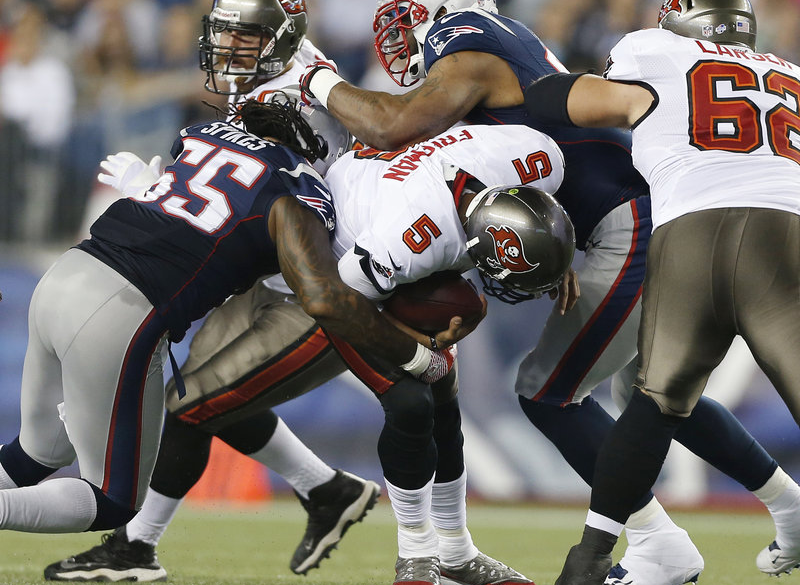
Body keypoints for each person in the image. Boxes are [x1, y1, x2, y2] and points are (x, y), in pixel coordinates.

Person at [299, 0, 800, 585]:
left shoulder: (472, 38)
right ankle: (787, 508)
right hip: (618, 218)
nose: (399, 37)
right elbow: (532, 144)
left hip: (632, 222)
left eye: (407, 19)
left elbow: (396, 124)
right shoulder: (506, 46)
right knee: (645, 386)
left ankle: (655, 541)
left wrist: (315, 81)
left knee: (547, 391)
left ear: (441, 10)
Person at [0, 97, 465, 557]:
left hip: (63, 278)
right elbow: (322, 296)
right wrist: (416, 355)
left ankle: (320, 486)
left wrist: (148, 186)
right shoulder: (298, 194)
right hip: (120, 310)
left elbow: (195, 213)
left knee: (34, 453)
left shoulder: (202, 139)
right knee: (112, 499)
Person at [44, 0, 376, 583]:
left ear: (282, 37)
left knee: (194, 402)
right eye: (221, 34)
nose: (226, 49)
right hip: (264, 262)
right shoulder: (255, 84)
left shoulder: (307, 82)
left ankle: (136, 546)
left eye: (243, 37)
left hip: (319, 272)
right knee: (203, 396)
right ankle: (324, 490)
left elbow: (325, 165)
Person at [522, 0, 800, 585]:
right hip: (789, 234)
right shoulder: (791, 72)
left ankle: (589, 561)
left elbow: (567, 103)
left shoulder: (657, 50)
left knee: (656, 398)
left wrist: (557, 84)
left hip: (696, 227)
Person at [322, 121, 574, 585]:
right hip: (345, 264)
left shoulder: (541, 158)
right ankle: (416, 548)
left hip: (404, 196)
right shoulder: (412, 240)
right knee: (412, 402)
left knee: (445, 402)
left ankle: (457, 553)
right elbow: (338, 302)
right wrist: (419, 351)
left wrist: (554, 254)